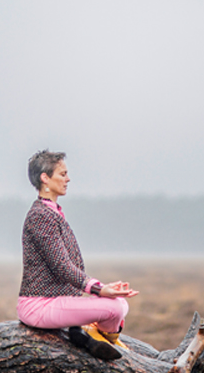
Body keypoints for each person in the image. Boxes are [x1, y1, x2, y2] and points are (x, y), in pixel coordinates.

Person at [17, 150, 139, 360]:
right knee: (114, 308)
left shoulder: (51, 212)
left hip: (56, 301)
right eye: (62, 174)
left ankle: (92, 334)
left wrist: (103, 289)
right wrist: (99, 289)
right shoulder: (40, 216)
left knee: (120, 303)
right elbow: (62, 267)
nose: (68, 178)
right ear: (45, 178)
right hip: (39, 305)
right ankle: (95, 335)